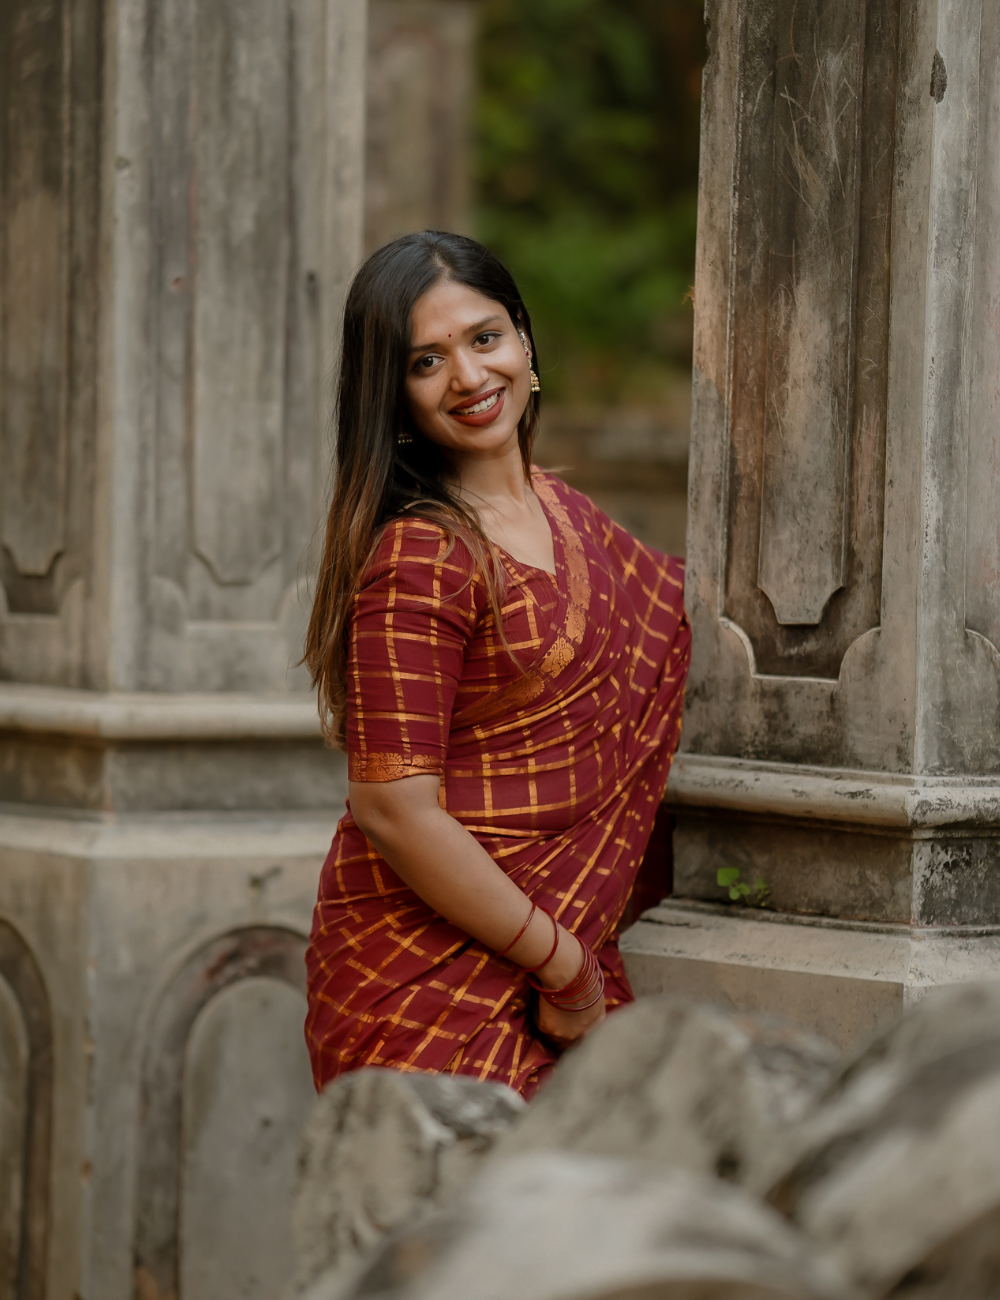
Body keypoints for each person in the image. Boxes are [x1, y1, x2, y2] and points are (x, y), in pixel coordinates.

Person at [303, 231, 690, 1100]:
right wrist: (566, 968)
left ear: (524, 340)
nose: (471, 378)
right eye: (426, 362)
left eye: (484, 339)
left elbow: (694, 623)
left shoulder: (568, 514)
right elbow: (393, 807)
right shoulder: (423, 554)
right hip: (423, 982)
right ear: (395, 398)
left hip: (550, 957)